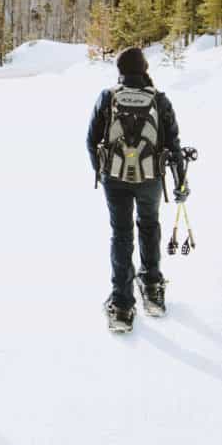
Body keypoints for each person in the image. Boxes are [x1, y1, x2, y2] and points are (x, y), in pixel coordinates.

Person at [87, 46, 183, 331]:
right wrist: (180, 182)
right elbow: (174, 146)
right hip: (150, 178)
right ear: (145, 69)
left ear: (120, 70)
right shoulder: (160, 100)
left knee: (121, 235)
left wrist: (102, 172)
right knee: (149, 225)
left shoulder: (108, 97)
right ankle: (153, 290)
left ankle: (122, 307)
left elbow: (91, 140)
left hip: (115, 178)